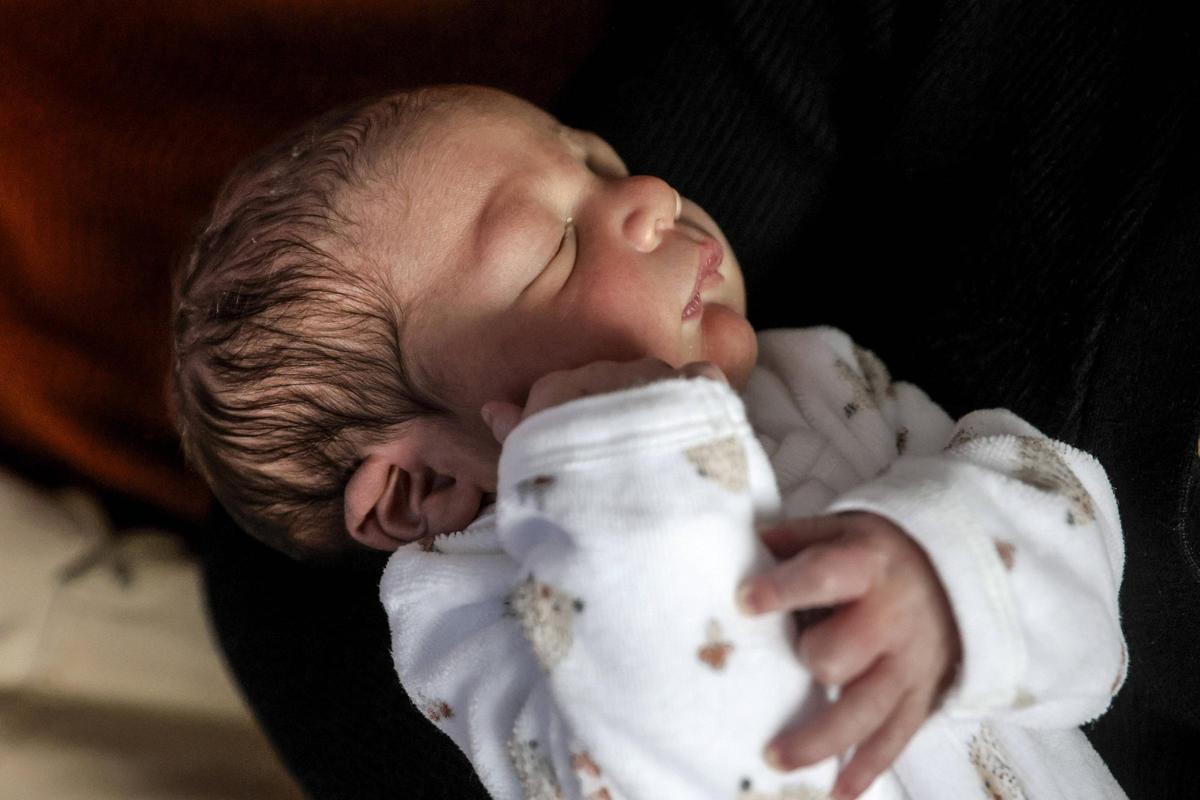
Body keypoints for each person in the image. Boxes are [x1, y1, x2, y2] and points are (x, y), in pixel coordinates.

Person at [172, 85, 1128, 799]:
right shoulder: (476, 618)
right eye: (550, 249)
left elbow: (1089, 627)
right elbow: (707, 763)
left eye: (593, 158)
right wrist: (622, 457)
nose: (649, 193)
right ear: (424, 488)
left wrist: (948, 569)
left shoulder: (811, 378)